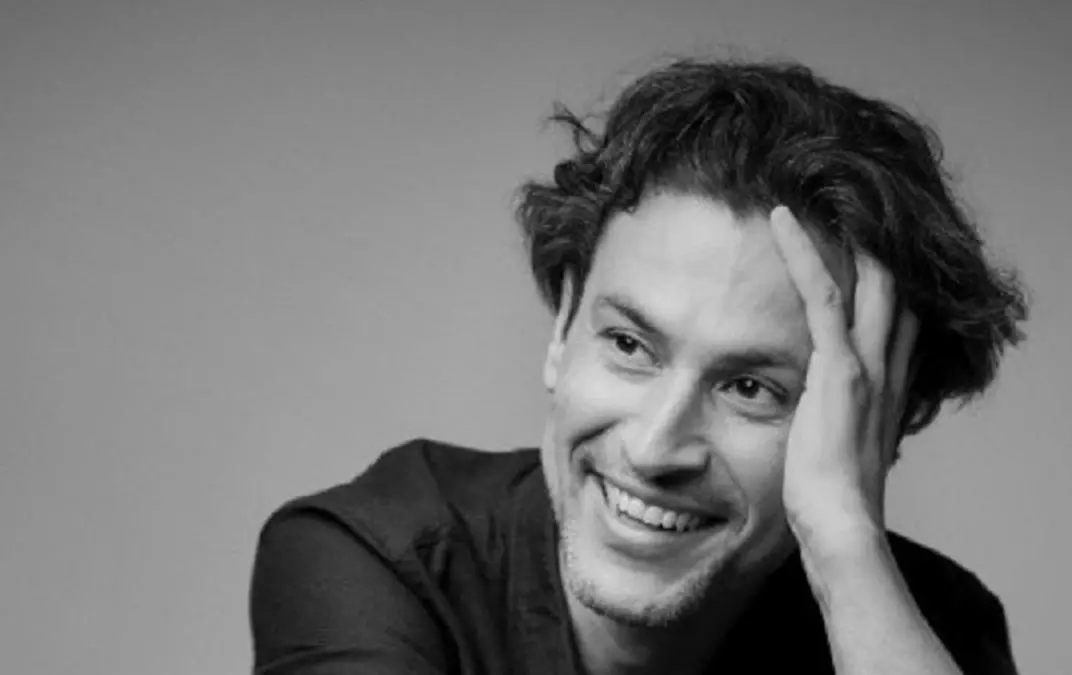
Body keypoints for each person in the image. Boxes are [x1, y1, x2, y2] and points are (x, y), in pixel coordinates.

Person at [250, 57, 1028, 675]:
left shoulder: (923, 623)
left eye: (750, 388)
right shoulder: (377, 558)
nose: (656, 448)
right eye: (629, 345)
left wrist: (847, 549)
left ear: (878, 422)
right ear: (564, 326)